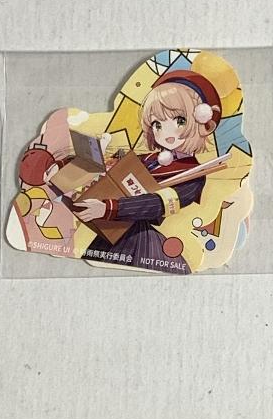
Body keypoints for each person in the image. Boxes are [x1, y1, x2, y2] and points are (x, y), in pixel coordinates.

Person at [74, 70, 222, 274]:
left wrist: (109, 209)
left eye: (179, 120)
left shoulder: (193, 175)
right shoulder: (150, 159)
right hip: (111, 229)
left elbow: (156, 204)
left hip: (137, 240)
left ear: (201, 121)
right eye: (157, 124)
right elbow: (119, 172)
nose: (166, 133)